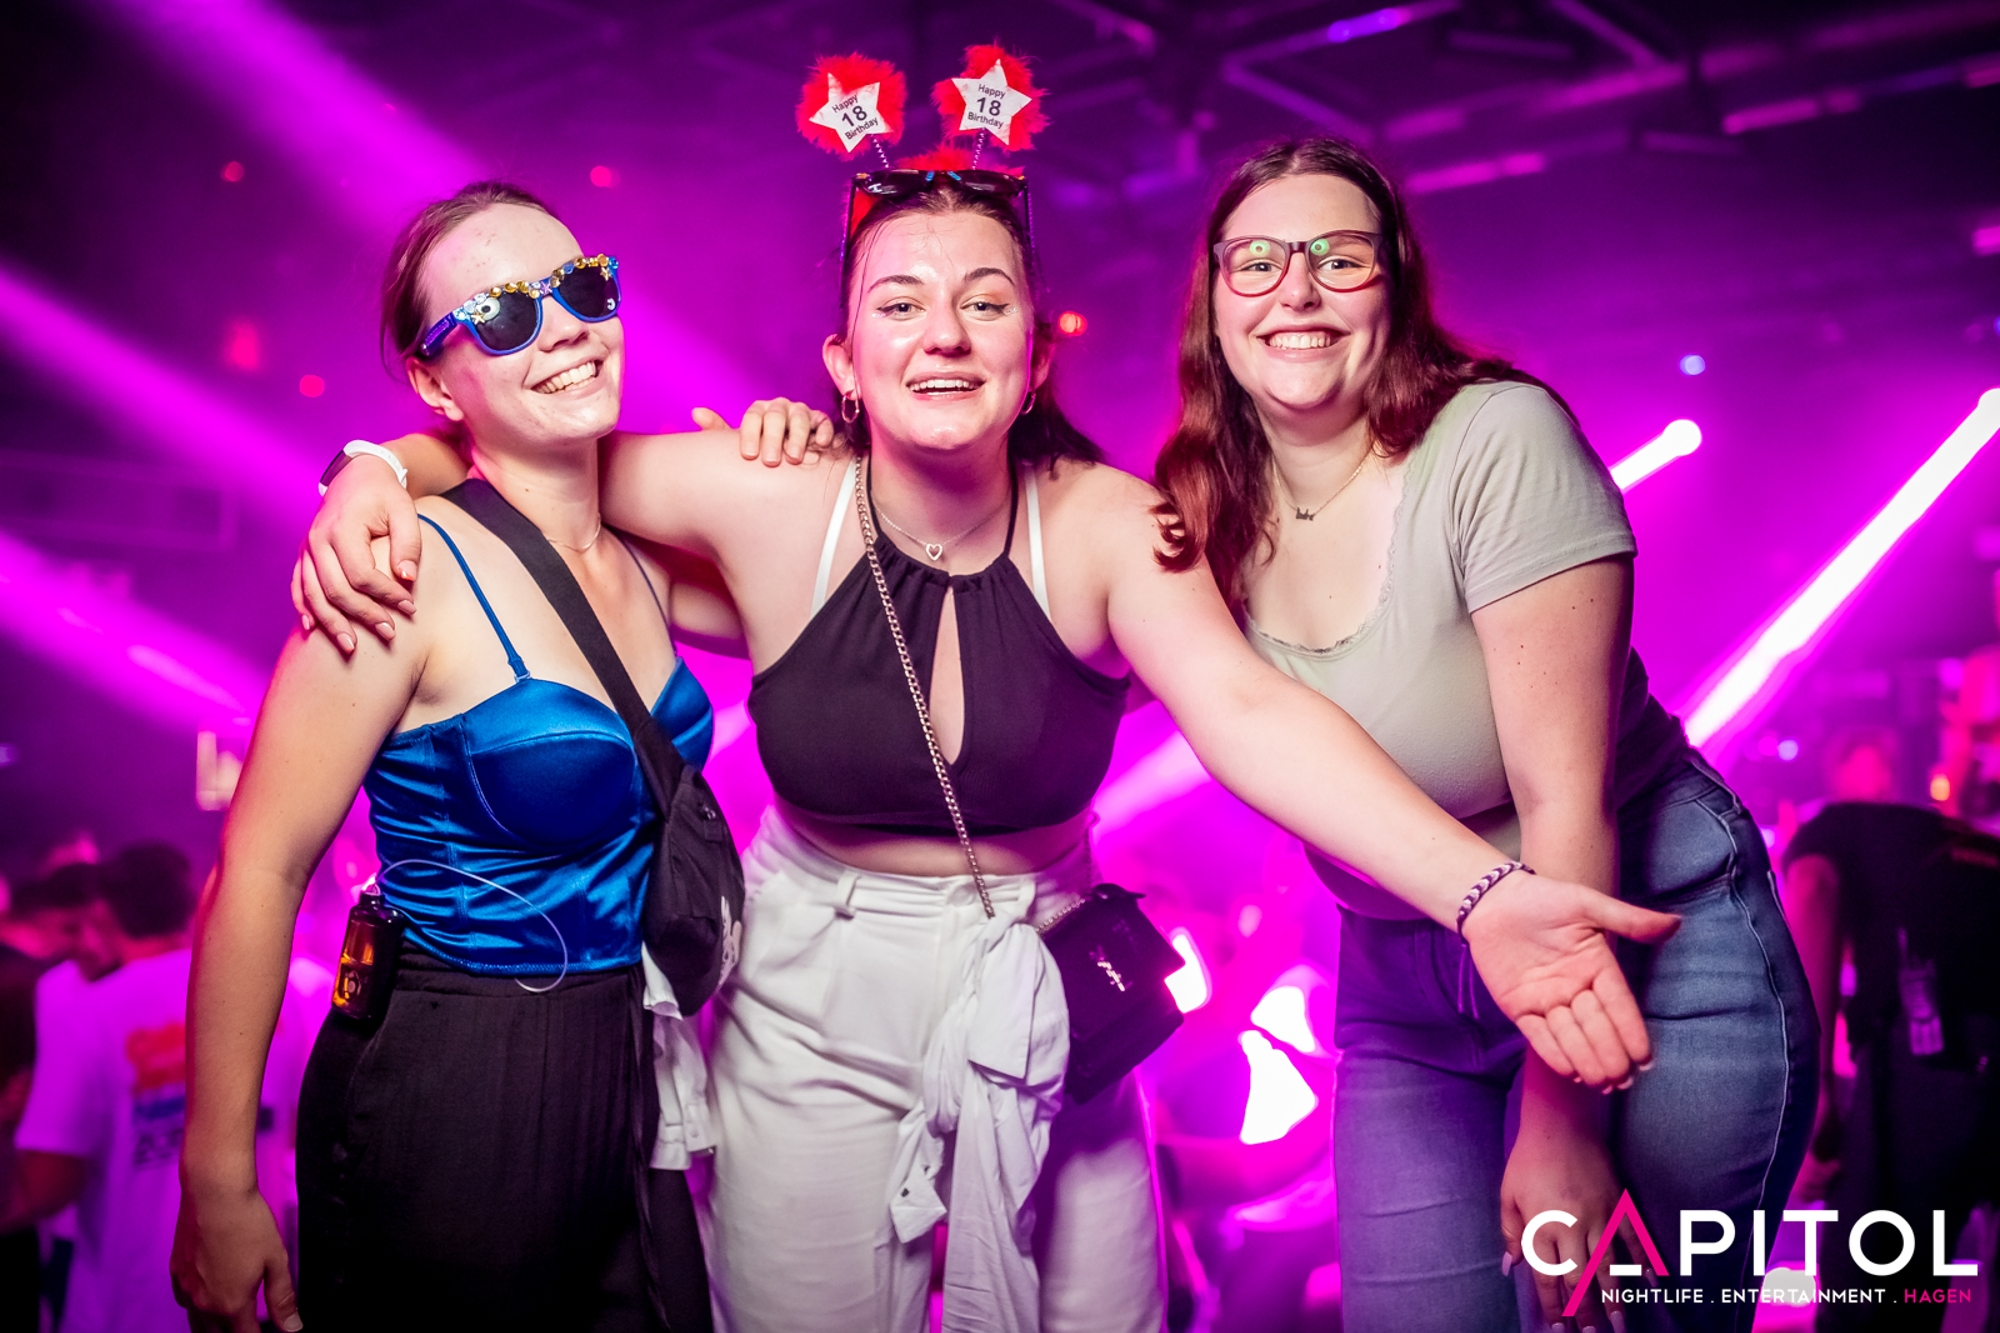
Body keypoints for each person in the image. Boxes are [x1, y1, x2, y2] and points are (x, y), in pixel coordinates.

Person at [293, 160, 1681, 1331]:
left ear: (1036, 354)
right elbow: (527, 448)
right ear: (843, 362)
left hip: (1044, 978)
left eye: (985, 300)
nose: (943, 334)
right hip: (809, 997)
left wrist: (1482, 895)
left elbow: (1252, 716)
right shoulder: (769, 496)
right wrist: (372, 467)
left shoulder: (1109, 525)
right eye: (898, 303)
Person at [1146, 138, 1817, 1331]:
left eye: (1337, 257)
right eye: (1254, 261)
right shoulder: (1198, 507)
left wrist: (1565, 1124)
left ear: (1392, 284)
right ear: (1212, 300)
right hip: (1402, 986)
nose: (1294, 290)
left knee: (1607, 1317)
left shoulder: (1496, 437)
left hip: (1645, 942)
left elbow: (1564, 802)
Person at [172, 183, 733, 1332]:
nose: (564, 327)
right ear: (436, 382)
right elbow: (261, 868)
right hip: (453, 1078)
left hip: (627, 1069)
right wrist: (216, 1176)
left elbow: (844, 587)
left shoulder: (647, 559)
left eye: (581, 288)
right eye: (506, 314)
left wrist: (793, 433)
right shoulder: (398, 566)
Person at [1783, 742, 2000, 1332]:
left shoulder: (1834, 826)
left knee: (1874, 1297)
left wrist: (1812, 1096)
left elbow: (1812, 889)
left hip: (1938, 1053)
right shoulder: (1958, 838)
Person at [2, 843, 197, 1333]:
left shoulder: (90, 1013)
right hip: (251, 1289)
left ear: (105, 915)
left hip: (129, 1299)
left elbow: (44, 1187)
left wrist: (22, 1120)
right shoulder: (277, 995)